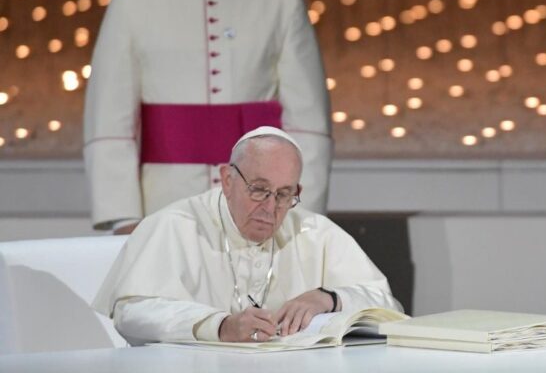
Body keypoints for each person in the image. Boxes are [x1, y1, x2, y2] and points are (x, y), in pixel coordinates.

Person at [84, 0, 331, 233]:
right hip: (162, 206)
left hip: (261, 204)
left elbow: (308, 123)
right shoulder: (130, 5)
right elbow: (110, 124)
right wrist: (124, 217)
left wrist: (299, 213)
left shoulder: (281, 1)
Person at [94, 127, 400, 344]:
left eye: (284, 194)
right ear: (227, 180)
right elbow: (132, 313)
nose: (270, 207)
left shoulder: (314, 231)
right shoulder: (175, 225)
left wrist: (328, 298)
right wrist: (221, 326)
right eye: (258, 189)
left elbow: (388, 306)